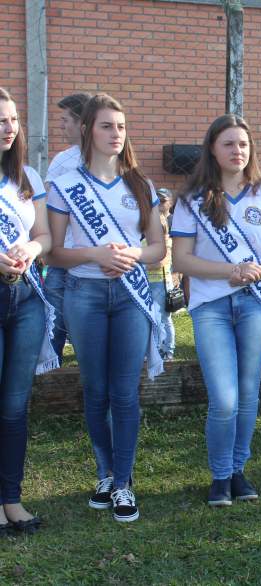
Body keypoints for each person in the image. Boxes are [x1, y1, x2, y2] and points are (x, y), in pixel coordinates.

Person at [46, 93, 167, 523]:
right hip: (85, 295)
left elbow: (158, 248)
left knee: (125, 392)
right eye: (105, 126)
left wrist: (131, 254)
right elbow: (53, 254)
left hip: (132, 296)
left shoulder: (141, 185)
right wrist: (96, 255)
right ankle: (104, 473)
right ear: (87, 131)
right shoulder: (65, 185)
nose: (115, 134)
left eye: (120, 126)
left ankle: (124, 483)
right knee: (96, 390)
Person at [171, 114, 261, 507]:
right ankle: (219, 474)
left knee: (247, 394)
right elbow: (183, 260)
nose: (237, 151)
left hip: (256, 304)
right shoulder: (192, 201)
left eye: (243, 144)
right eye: (229, 143)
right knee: (224, 398)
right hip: (210, 306)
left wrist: (260, 271)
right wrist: (232, 270)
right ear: (212, 148)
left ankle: (238, 471)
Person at [0, 88, 58, 535]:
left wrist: (30, 247)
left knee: (15, 406)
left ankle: (11, 498)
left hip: (26, 298)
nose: (8, 128)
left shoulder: (28, 177)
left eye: (13, 120)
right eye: (1, 120)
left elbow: (46, 237)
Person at [43, 92, 92, 364]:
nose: (62, 126)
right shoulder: (63, 160)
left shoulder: (109, 159)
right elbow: (50, 210)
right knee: (53, 320)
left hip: (96, 259)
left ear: (81, 122)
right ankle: (50, 371)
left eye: (66, 120)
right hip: (64, 255)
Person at [146, 188, 176, 360]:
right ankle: (156, 348)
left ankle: (167, 350)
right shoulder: (152, 237)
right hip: (153, 280)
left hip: (161, 280)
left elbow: (160, 261)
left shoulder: (165, 238)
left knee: (163, 317)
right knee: (155, 317)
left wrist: (139, 262)